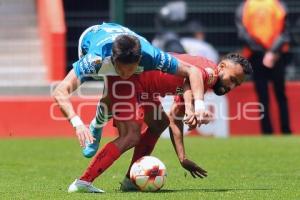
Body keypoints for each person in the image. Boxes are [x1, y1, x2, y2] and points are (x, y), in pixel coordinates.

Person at [67, 53, 253, 193]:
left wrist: (182, 157)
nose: (231, 87)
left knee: (159, 123)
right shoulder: (209, 72)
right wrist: (193, 108)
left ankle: (130, 181)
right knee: (131, 136)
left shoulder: (204, 82)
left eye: (237, 84)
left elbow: (175, 116)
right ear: (221, 66)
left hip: (145, 88)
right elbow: (193, 77)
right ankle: (83, 182)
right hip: (130, 78)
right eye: (232, 79)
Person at [53, 22, 215, 157]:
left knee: (117, 93)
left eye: (129, 70)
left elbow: (192, 71)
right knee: (114, 92)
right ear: (114, 60)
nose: (125, 74)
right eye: (121, 70)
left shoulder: (152, 55)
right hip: (91, 39)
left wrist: (199, 106)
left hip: (125, 36)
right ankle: (97, 125)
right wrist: (77, 123)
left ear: (139, 60)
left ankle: (96, 123)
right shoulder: (95, 59)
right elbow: (60, 91)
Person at [236, 0, 292, 134]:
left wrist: (263, 52)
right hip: (276, 55)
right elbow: (285, 32)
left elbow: (242, 34)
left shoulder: (245, 6)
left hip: (257, 55)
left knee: (263, 96)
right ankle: (286, 130)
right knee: (280, 95)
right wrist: (272, 52)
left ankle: (267, 132)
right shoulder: (277, 5)